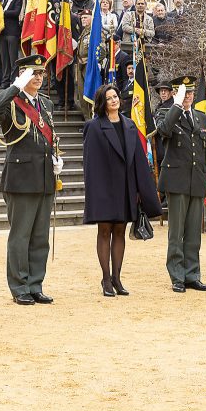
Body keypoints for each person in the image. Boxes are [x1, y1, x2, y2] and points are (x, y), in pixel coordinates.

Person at [0, 55, 62, 305]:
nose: (38, 78)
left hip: (43, 177)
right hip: (20, 178)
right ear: (22, 76)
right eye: (33, 74)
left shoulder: (46, 105)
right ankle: (19, 286)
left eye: (41, 74)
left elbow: (47, 137)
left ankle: (35, 284)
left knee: (40, 236)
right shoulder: (12, 102)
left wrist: (54, 159)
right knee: (21, 236)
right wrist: (15, 87)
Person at [82, 84, 162, 296]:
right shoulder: (94, 126)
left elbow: (137, 160)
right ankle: (106, 280)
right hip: (104, 189)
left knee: (120, 231)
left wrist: (140, 189)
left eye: (115, 96)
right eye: (109, 98)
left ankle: (117, 278)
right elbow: (90, 163)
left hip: (126, 187)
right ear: (102, 102)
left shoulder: (129, 125)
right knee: (105, 231)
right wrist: (94, 192)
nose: (114, 100)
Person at [157, 76, 206, 293]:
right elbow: (164, 130)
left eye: (190, 93)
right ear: (175, 94)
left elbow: (205, 152)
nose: (189, 97)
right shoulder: (167, 113)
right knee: (177, 231)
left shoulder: (200, 117)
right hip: (177, 181)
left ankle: (192, 274)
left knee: (193, 233)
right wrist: (177, 105)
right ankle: (177, 275)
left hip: (196, 180)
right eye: (184, 93)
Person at [0, 0, 24, 89]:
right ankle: (5, 82)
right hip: (1, 33)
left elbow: (16, 12)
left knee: (13, 59)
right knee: (4, 60)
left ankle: (13, 81)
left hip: (12, 32)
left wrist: (1, 12)